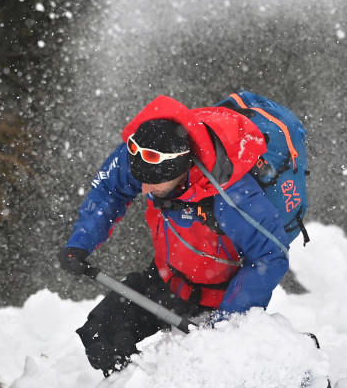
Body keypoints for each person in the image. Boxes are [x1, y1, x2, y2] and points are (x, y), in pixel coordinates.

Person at [58, 95, 291, 376]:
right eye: (140, 179)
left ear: (181, 170)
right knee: (102, 337)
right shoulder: (143, 154)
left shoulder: (232, 196)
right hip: (168, 281)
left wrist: (227, 326)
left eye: (154, 183)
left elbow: (270, 256)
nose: (144, 188)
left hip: (220, 299)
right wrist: (80, 243)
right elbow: (110, 190)